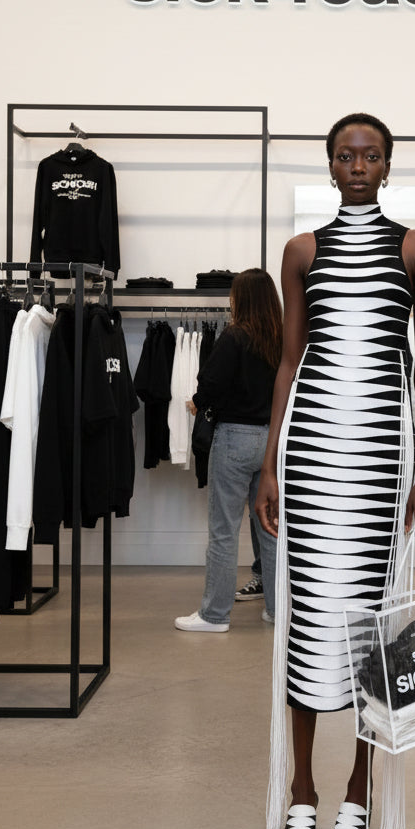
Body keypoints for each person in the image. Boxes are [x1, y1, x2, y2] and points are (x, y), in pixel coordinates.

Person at [253, 112, 415, 829]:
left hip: (378, 457)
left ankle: (358, 793)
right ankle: (301, 792)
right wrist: (269, 463)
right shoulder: (301, 251)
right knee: (307, 620)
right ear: (329, 166)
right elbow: (289, 362)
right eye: (344, 155)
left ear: (387, 166)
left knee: (370, 626)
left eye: (370, 156)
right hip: (312, 453)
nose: (357, 166)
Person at [175, 269, 282, 633]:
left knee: (224, 530)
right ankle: (277, 610)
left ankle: (214, 615)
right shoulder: (281, 339)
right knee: (269, 527)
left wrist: (199, 402)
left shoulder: (235, 336)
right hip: (271, 442)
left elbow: (211, 382)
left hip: (236, 438)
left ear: (243, 299)